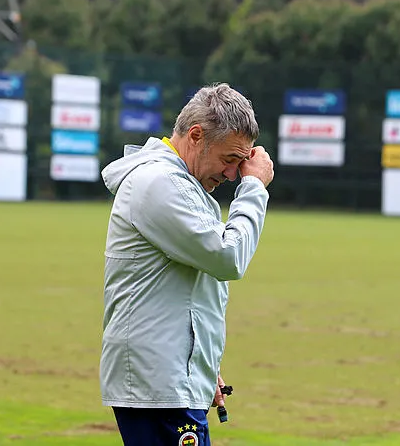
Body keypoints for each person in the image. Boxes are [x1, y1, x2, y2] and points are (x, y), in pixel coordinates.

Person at [99, 82, 275, 445]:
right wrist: (254, 188)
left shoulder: (176, 182)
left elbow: (184, 290)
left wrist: (201, 367)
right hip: (159, 387)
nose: (232, 174)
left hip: (166, 381)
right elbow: (228, 257)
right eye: (229, 160)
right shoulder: (158, 182)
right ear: (196, 136)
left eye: (240, 164)